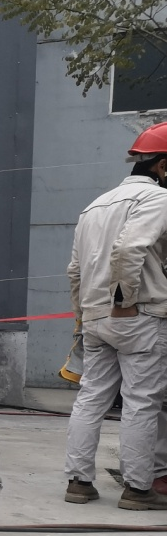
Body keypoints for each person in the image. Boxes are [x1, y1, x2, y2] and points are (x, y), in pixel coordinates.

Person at [63, 122, 167, 510]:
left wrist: (83, 313)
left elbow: (75, 269)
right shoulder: (158, 199)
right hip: (137, 315)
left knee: (91, 399)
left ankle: (79, 482)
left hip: (96, 318)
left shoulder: (95, 205)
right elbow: (128, 249)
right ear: (162, 165)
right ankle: (138, 489)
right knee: (141, 401)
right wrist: (124, 298)